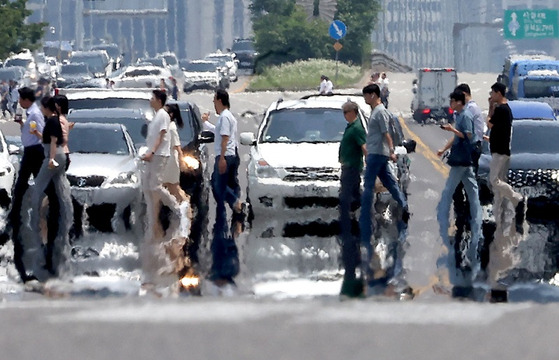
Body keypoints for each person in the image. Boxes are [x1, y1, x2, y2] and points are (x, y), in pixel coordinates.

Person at [359, 84, 409, 288]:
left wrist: (391, 150)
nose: (365, 100)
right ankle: (403, 206)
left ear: (373, 95)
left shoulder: (379, 113)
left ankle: (365, 214)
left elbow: (386, 133)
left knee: (369, 184)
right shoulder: (379, 111)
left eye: (366, 96)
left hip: (377, 154)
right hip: (378, 153)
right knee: (389, 182)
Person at [8, 87, 57, 282]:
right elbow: (30, 132)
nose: (19, 101)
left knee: (29, 180)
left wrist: (34, 131)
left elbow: (41, 134)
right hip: (31, 150)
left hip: (34, 151)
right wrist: (22, 125)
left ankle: (23, 204)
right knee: (31, 179)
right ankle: (22, 201)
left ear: (27, 100)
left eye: (20, 98)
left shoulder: (35, 113)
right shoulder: (31, 113)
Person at [436, 91, 482, 287]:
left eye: (452, 101)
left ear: (459, 102)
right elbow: (458, 138)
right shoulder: (460, 116)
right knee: (472, 192)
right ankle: (477, 225)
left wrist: (451, 130)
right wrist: (444, 148)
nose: (451, 104)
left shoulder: (465, 116)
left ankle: (444, 221)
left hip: (462, 160)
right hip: (464, 161)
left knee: (449, 191)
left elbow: (468, 136)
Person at [140, 89, 184, 285]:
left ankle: (175, 206)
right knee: (148, 188)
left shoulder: (164, 115)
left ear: (158, 100)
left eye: (152, 98)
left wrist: (153, 152)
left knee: (155, 185)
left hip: (160, 156)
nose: (150, 100)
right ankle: (152, 221)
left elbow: (161, 136)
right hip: (153, 155)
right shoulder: (156, 115)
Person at [485, 82, 523, 303]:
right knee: (498, 188)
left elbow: (490, 124)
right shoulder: (507, 110)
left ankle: (515, 197)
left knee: (494, 181)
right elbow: (498, 130)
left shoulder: (500, 108)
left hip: (500, 152)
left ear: (498, 93)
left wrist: (490, 106)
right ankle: (499, 213)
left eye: (492, 93)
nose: (491, 95)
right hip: (501, 149)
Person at [28, 96, 73, 281]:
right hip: (56, 157)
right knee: (59, 195)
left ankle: (34, 212)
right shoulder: (54, 121)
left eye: (42, 107)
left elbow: (54, 142)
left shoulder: (55, 120)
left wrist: (51, 160)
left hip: (55, 157)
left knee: (39, 192)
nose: (41, 109)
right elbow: (48, 140)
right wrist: (36, 134)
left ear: (49, 108)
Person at [203, 89, 244, 288]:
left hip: (225, 156)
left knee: (218, 186)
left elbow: (225, 138)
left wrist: (220, 158)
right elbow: (219, 132)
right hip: (229, 155)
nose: (213, 103)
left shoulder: (226, 117)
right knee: (222, 185)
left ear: (220, 100)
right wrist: (206, 123)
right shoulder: (225, 118)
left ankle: (232, 205)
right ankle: (233, 204)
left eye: (214, 100)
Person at [451, 84, 484, 271]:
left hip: (469, 150)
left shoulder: (468, 111)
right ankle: (466, 212)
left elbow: (468, 135)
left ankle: (464, 214)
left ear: (463, 96)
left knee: (462, 183)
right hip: (472, 149)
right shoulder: (472, 109)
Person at [338, 101, 367, 298]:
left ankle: (351, 224)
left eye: (346, 112)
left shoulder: (356, 128)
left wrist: (371, 167)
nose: (344, 115)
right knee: (350, 197)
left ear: (353, 112)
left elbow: (364, 147)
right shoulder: (351, 126)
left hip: (352, 169)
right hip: (347, 168)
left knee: (347, 198)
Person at [162, 103, 188, 204]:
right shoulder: (167, 126)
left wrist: (182, 161)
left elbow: (177, 146)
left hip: (170, 162)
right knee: (170, 189)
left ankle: (186, 209)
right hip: (167, 161)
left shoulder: (171, 128)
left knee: (173, 188)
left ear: (171, 115)